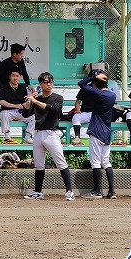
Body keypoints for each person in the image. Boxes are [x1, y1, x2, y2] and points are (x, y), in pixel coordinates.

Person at [22, 72, 74, 201]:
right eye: (46, 82)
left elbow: (53, 109)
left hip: (51, 134)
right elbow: (25, 114)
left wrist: (35, 101)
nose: (49, 84)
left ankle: (69, 191)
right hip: (38, 133)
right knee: (39, 165)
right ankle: (38, 191)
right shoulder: (37, 98)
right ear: (40, 84)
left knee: (61, 162)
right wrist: (29, 101)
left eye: (51, 81)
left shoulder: (58, 97)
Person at [77, 71, 117, 199]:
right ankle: (112, 192)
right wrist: (100, 79)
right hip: (106, 133)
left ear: (95, 83)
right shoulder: (112, 95)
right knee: (106, 162)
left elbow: (81, 84)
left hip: (96, 132)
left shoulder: (98, 93)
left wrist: (93, 77)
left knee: (95, 162)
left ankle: (97, 191)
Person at [0, 67, 35, 144]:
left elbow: (26, 103)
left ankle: (28, 137)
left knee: (33, 116)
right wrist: (15, 105)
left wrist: (30, 100)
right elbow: (0, 101)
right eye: (13, 75)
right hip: (8, 111)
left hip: (20, 112)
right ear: (9, 77)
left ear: (20, 77)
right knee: (3, 114)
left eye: (17, 76)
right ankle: (7, 137)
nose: (15, 78)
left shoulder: (23, 88)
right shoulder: (3, 87)